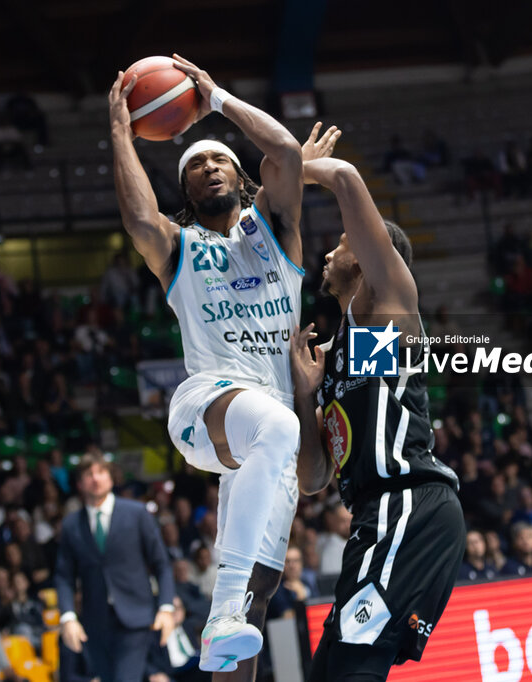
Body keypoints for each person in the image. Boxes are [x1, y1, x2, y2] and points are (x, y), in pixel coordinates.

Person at [108, 54, 340, 676]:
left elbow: (287, 154)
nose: (208, 168)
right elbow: (136, 217)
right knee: (278, 428)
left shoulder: (277, 231)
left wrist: (217, 101)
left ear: (241, 178)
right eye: (195, 165)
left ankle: (226, 618)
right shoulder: (177, 246)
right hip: (206, 406)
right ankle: (221, 610)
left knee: (257, 599)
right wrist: (120, 134)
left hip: (269, 426)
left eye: (219, 160)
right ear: (184, 190)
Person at [290, 150, 465, 681]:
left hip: (408, 506)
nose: (329, 252)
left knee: (346, 667)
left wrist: (287, 170)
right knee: (336, 670)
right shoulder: (343, 349)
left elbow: (344, 176)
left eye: (342, 242)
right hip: (379, 518)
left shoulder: (385, 315)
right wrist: (306, 396)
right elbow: (314, 478)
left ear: (368, 257)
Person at [54, 455, 176, 682]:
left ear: (110, 478)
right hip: (95, 621)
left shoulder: (136, 513)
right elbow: (64, 576)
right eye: (89, 474)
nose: (95, 479)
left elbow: (161, 564)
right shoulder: (71, 524)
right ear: (80, 484)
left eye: (101, 472)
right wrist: (68, 617)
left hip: (136, 616)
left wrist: (166, 607)